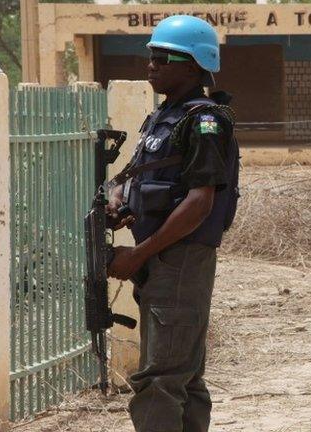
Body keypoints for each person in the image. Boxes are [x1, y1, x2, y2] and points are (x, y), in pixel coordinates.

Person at [106, 14, 239, 432]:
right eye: (150, 56)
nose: (151, 65)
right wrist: (119, 201)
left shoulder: (204, 121)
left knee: (160, 381)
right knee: (183, 376)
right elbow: (146, 180)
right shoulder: (165, 118)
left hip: (178, 259)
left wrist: (138, 255)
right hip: (162, 258)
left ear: (193, 65)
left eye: (163, 58)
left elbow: (200, 202)